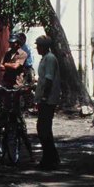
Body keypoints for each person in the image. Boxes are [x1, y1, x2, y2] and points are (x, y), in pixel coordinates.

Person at [34, 35, 62, 169]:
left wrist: (44, 97)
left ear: (44, 46)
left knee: (43, 129)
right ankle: (52, 157)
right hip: (44, 99)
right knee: (44, 129)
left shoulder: (50, 59)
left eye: (39, 46)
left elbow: (49, 79)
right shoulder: (44, 59)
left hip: (48, 100)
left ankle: (49, 159)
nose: (37, 48)